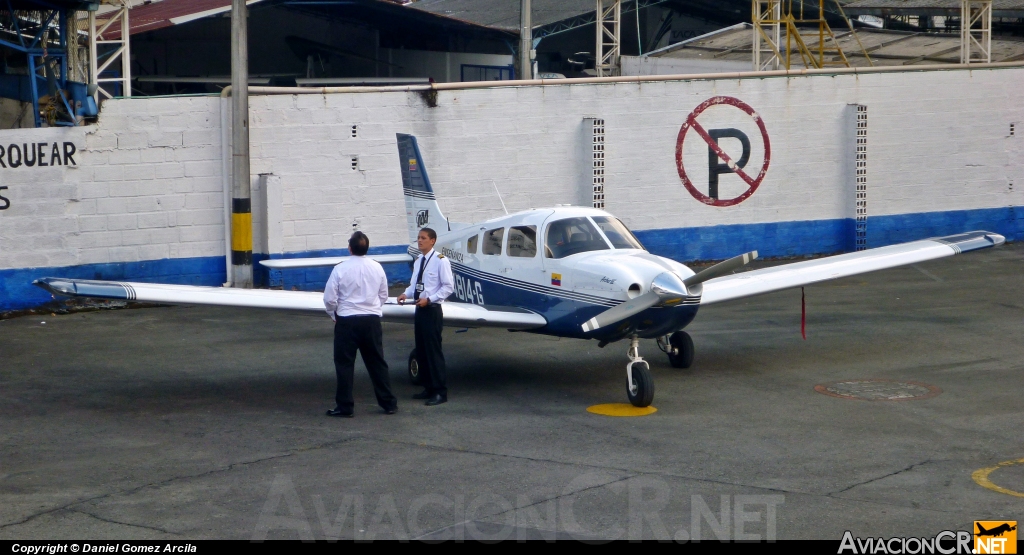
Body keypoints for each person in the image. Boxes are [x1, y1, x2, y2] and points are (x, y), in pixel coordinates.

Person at [323, 231, 398, 417]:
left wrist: (334, 313)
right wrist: (372, 309)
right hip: (371, 320)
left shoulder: (340, 268)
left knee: (344, 365)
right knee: (377, 363)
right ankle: (388, 403)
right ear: (367, 248)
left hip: (347, 321)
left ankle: (345, 406)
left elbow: (330, 298)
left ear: (349, 248)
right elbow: (383, 295)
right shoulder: (377, 267)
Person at [397, 228, 454, 406]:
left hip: (432, 310)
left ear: (433, 241)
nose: (420, 241)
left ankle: (439, 391)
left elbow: (447, 287)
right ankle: (428, 387)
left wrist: (429, 299)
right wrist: (405, 294)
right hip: (420, 309)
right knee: (421, 351)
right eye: (418, 238)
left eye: (423, 238)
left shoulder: (440, 261)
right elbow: (414, 284)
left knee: (433, 352)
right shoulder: (419, 260)